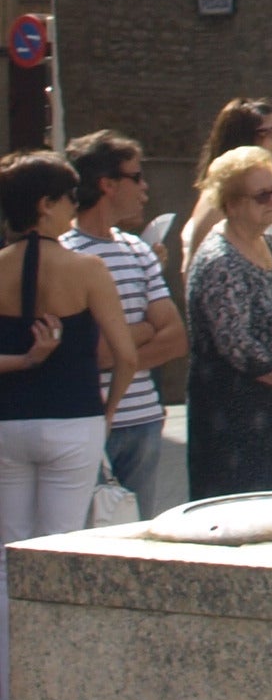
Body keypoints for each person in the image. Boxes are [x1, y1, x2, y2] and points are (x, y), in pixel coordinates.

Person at [0, 150, 136, 700]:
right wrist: (104, 419)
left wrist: (24, 361)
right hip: (74, 421)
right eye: (66, 197)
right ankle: (52, 699)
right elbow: (125, 356)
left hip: (7, 422)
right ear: (45, 205)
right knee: (57, 555)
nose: (72, 205)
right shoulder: (87, 270)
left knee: (8, 560)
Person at [183, 145, 272, 498]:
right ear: (231, 204)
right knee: (237, 507)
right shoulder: (219, 260)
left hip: (271, 408)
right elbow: (236, 342)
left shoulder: (271, 245)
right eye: (261, 196)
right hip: (232, 413)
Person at [59, 135, 178, 517]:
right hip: (91, 421)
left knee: (138, 533)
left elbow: (175, 337)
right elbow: (93, 354)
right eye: (136, 177)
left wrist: (121, 349)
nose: (145, 189)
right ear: (107, 184)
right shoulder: (67, 254)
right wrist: (144, 328)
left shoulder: (137, 249)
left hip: (144, 419)